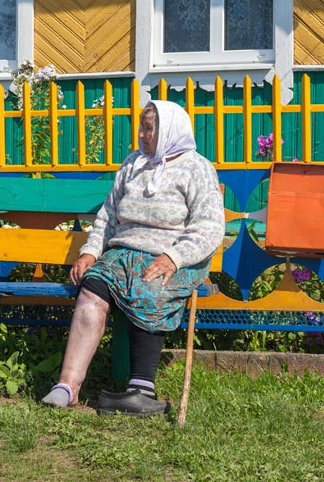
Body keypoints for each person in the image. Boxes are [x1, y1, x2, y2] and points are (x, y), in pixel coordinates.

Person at [41, 100, 224, 416]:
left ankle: (141, 389)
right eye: (140, 127)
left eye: (148, 128)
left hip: (173, 258)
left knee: (149, 284)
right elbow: (108, 216)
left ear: (167, 130)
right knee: (93, 284)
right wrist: (89, 253)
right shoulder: (133, 164)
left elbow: (209, 227)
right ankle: (68, 385)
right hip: (123, 253)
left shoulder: (198, 168)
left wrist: (173, 257)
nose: (140, 134)